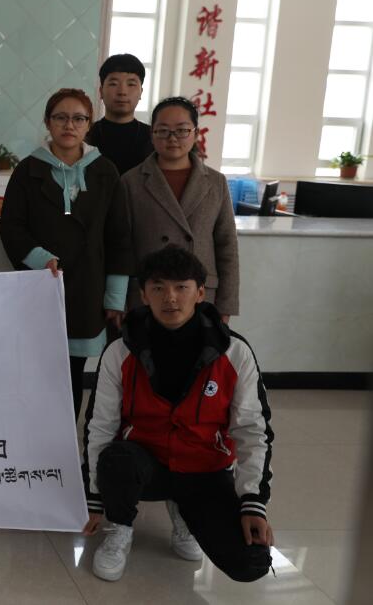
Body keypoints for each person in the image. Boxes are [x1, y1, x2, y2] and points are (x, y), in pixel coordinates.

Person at [81, 245, 273, 584]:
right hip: (145, 464)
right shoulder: (120, 351)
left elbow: (252, 430)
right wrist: (96, 497)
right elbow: (100, 425)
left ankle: (183, 511)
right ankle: (121, 526)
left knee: (251, 562)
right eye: (158, 288)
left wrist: (253, 502)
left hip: (204, 469)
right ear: (144, 295)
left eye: (181, 287)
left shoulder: (234, 352)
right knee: (117, 459)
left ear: (199, 293)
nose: (170, 297)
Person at [0, 88, 131, 419]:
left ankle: (65, 441)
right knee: (35, 369)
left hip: (88, 287)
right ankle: (33, 437)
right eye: (60, 117)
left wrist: (115, 298)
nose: (69, 125)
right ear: (48, 122)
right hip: (40, 285)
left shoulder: (105, 172)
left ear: (89, 124)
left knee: (72, 372)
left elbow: (119, 237)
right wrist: (40, 258)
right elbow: (11, 227)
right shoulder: (28, 170)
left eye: (78, 118)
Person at [121, 96, 239, 320]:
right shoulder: (131, 181)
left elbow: (227, 247)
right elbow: (122, 246)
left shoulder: (216, 182)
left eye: (182, 130)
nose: (172, 138)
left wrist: (226, 305)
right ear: (152, 134)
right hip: (149, 294)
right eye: (163, 131)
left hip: (201, 294)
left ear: (195, 133)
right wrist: (119, 301)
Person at [87, 54, 153, 176]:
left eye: (131, 84)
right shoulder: (86, 135)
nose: (122, 92)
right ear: (101, 91)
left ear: (141, 92)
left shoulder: (153, 138)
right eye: (113, 84)